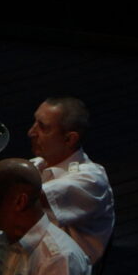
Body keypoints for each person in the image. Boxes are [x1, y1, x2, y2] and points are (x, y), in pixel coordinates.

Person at [9, 95, 115, 263]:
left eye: (42, 127)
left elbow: (23, 196)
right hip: (30, 264)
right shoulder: (37, 165)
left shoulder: (91, 179)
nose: (31, 132)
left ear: (69, 139)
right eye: (34, 122)